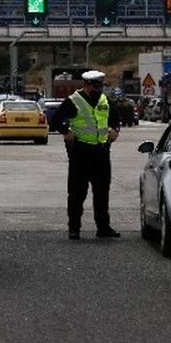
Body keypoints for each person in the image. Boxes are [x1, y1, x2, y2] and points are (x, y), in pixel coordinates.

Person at [50, 70, 122, 240]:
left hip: (101, 152)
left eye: (101, 86)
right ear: (87, 85)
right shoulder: (73, 101)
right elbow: (54, 120)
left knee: (102, 192)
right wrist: (66, 131)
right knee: (77, 193)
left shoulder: (104, 100)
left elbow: (115, 118)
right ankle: (74, 228)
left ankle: (103, 227)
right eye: (96, 86)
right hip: (80, 152)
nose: (99, 90)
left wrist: (115, 130)